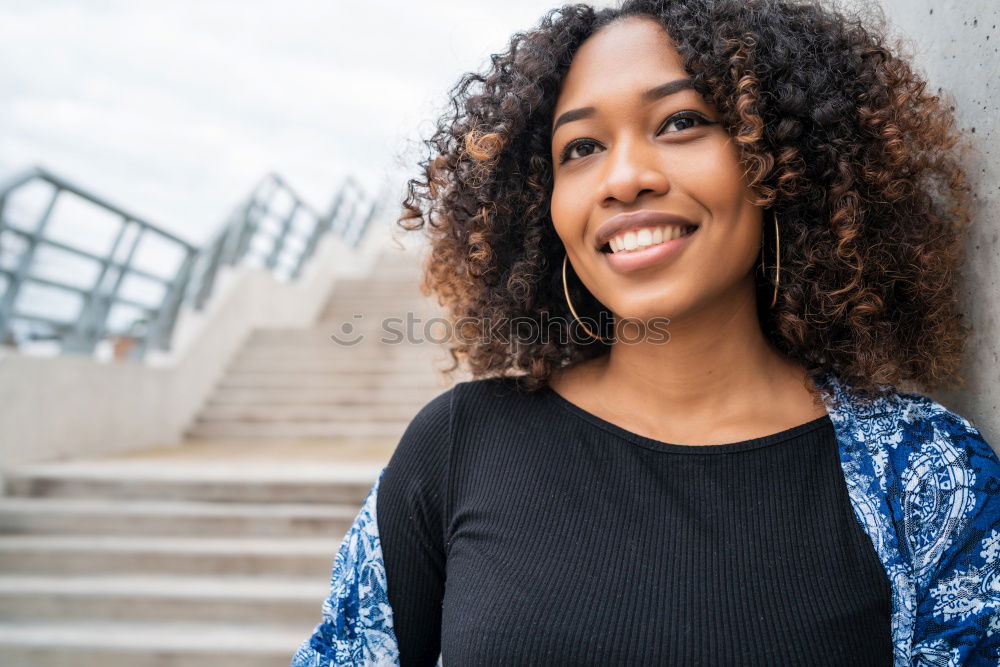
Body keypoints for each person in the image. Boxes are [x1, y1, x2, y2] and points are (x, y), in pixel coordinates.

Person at [292, 0, 1000, 664]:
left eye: (681, 122)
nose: (624, 179)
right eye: (581, 148)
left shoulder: (924, 474)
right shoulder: (457, 447)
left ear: (783, 162)